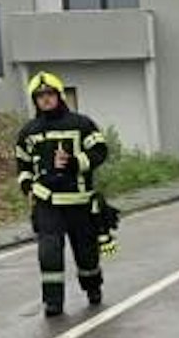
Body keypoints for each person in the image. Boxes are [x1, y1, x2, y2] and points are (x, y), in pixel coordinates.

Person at [13, 72, 110, 316]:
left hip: (79, 202)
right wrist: (27, 188)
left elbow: (100, 151)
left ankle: (92, 288)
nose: (45, 100)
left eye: (49, 94)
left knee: (86, 254)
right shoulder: (28, 132)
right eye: (40, 96)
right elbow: (22, 164)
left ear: (59, 96)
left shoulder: (81, 124)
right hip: (47, 203)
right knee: (49, 253)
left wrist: (76, 162)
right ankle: (53, 302)